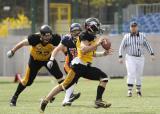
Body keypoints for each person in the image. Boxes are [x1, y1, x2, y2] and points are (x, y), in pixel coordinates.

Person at [40, 17, 112, 113]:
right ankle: (45, 100)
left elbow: (91, 53)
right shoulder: (83, 35)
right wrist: (98, 44)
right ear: (90, 27)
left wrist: (103, 53)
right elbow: (84, 49)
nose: (98, 28)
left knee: (104, 78)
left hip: (86, 67)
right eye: (96, 26)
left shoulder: (92, 37)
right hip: (78, 67)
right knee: (63, 86)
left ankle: (98, 101)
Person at [7, 25, 78, 106]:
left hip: (48, 60)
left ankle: (69, 95)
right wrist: (13, 51)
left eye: (49, 35)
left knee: (60, 78)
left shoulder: (55, 39)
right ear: (41, 35)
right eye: (45, 35)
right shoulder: (34, 38)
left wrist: (66, 54)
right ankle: (14, 97)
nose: (48, 37)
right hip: (35, 60)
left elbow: (61, 47)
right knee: (27, 81)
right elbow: (23, 43)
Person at [47, 23, 82, 106]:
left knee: (67, 84)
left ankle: (51, 96)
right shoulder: (67, 39)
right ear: (70, 32)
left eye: (78, 31)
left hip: (78, 65)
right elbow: (57, 49)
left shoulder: (84, 39)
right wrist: (51, 59)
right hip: (69, 65)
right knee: (71, 82)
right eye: (74, 31)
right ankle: (66, 100)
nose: (76, 33)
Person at [118, 21, 155, 97]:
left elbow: (148, 45)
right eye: (132, 27)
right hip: (130, 57)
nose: (133, 28)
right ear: (130, 28)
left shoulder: (142, 36)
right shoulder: (126, 36)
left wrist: (152, 54)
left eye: (135, 26)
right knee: (131, 73)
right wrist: (120, 56)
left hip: (140, 57)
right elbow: (121, 47)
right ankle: (129, 90)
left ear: (137, 27)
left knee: (139, 74)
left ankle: (138, 90)